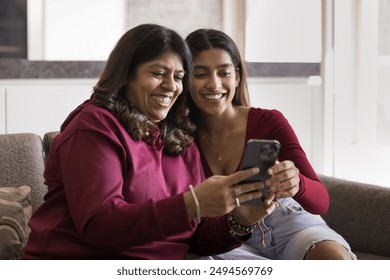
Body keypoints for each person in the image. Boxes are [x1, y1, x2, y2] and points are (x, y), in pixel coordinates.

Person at [22, 24, 278, 260]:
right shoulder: (95, 125)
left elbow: (195, 239)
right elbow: (99, 225)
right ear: (126, 75)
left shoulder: (179, 139)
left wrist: (239, 221)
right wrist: (190, 204)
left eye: (179, 77)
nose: (170, 86)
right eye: (158, 73)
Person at [185, 28, 356, 260]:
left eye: (223, 72)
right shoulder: (179, 139)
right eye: (200, 73)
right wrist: (238, 221)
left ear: (236, 76)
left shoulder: (268, 121)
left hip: (287, 220)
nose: (214, 84)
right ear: (185, 78)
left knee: (333, 259)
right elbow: (193, 232)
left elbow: (320, 202)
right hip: (228, 235)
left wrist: (298, 183)